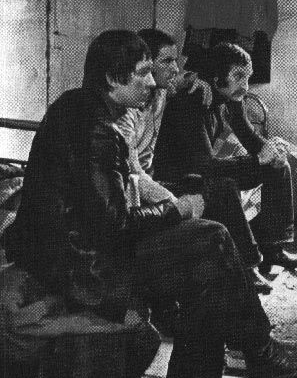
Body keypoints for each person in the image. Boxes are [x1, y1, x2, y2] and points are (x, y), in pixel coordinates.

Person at [1, 30, 297, 378]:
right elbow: (115, 225)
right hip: (81, 266)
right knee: (213, 240)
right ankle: (262, 355)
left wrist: (172, 207)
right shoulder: (96, 130)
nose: (152, 82)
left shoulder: (78, 105)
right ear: (112, 78)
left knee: (209, 274)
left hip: (76, 251)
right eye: (142, 73)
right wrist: (178, 209)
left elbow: (108, 210)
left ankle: (255, 358)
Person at [114, 29, 274, 292]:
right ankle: (243, 269)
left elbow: (181, 79)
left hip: (154, 180)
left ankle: (255, 261)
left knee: (222, 185)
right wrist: (177, 204)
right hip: (139, 190)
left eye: (175, 60)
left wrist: (196, 80)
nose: (175, 68)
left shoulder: (162, 91)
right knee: (220, 188)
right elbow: (135, 176)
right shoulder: (125, 114)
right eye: (166, 61)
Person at [154, 41, 297, 273]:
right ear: (217, 77)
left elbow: (247, 134)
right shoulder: (192, 101)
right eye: (238, 77)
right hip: (180, 177)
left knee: (279, 167)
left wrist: (271, 153)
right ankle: (248, 264)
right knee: (225, 185)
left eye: (248, 78)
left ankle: (273, 250)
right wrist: (257, 160)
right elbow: (205, 166)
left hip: (205, 169)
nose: (245, 86)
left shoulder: (230, 98)